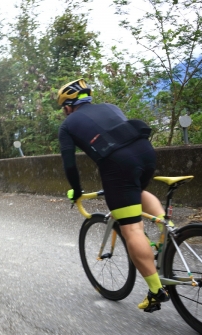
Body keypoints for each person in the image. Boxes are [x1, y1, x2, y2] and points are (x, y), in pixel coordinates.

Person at [56, 79, 170, 312]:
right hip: (146, 152)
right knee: (138, 192)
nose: (64, 113)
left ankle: (156, 291)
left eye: (63, 109)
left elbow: (69, 165)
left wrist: (76, 191)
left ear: (68, 107)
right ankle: (167, 232)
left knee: (132, 230)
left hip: (117, 164)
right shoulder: (110, 107)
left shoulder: (68, 125)